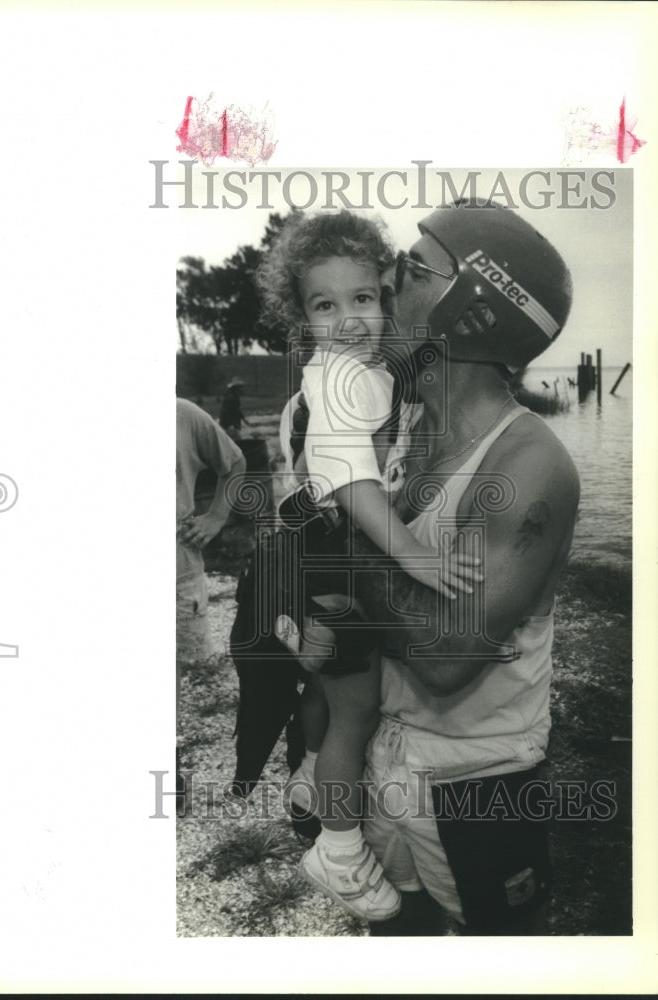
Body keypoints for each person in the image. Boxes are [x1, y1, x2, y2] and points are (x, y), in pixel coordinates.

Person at [281, 199, 579, 935]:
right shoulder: (401, 423)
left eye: (414, 269)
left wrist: (328, 537)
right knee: (395, 937)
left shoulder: (530, 463)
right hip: (386, 756)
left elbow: (449, 654)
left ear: (470, 310)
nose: (387, 280)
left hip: (479, 777)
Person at [256, 210, 481, 921]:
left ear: (385, 295)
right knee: (359, 710)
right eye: (326, 306)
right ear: (302, 317)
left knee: (331, 686)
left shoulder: (359, 369)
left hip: (316, 548)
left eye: (363, 299)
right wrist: (413, 553)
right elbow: (353, 480)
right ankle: (340, 849)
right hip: (333, 554)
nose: (349, 319)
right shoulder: (333, 384)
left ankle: (306, 778)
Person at [176, 397, 246, 807]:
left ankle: (167, 775)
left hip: (174, 567)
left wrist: (216, 517)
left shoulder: (182, 414)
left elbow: (235, 463)